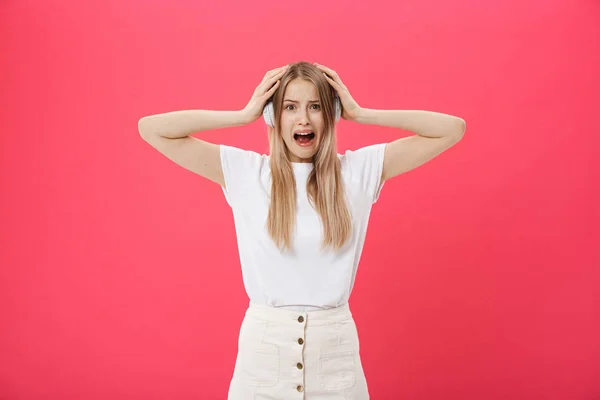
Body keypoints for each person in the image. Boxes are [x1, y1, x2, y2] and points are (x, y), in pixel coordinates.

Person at [138, 61, 466, 399]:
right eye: (290, 107)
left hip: (335, 357)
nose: (303, 119)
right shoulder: (246, 172)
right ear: (273, 117)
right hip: (262, 359)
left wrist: (360, 112)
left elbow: (452, 128)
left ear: (331, 114)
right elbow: (152, 128)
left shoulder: (357, 172)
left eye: (316, 107)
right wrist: (242, 114)